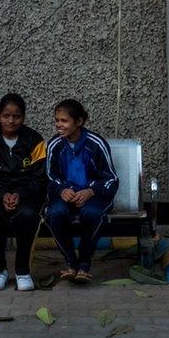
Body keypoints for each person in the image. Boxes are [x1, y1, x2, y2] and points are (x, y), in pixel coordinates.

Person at [0, 93, 46, 292]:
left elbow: (39, 178)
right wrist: (2, 195)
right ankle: (0, 270)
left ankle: (23, 271)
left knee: (28, 215)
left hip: (27, 195)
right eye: (6, 115)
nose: (11, 120)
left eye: (16, 116)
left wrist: (19, 194)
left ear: (23, 117)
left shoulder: (35, 140)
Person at [44, 99, 118, 284]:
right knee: (54, 213)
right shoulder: (54, 145)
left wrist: (91, 191)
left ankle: (84, 263)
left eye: (64, 121)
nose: (59, 125)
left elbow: (111, 179)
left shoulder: (96, 143)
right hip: (66, 195)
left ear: (79, 122)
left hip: (94, 196)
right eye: (57, 120)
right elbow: (48, 177)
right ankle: (71, 262)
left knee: (92, 214)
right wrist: (61, 190)